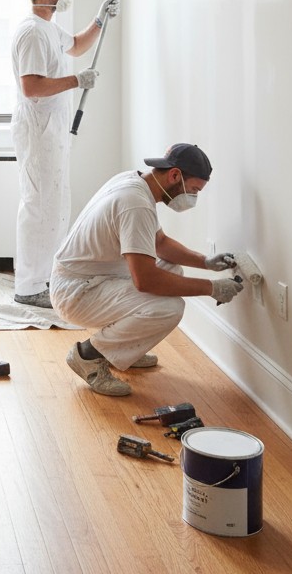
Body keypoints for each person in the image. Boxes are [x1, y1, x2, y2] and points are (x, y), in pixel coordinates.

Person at [49, 143, 243, 396]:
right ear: (174, 175)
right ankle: (88, 356)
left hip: (93, 277)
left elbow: (159, 243)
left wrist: (205, 262)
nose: (193, 198)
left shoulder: (135, 183)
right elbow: (146, 281)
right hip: (76, 293)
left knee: (171, 270)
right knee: (169, 308)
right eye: (194, 189)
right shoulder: (135, 204)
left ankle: (122, 348)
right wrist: (212, 288)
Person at [10, 0, 118, 307]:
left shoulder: (50, 30)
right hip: (37, 129)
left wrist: (99, 21)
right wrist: (77, 81)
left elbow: (75, 46)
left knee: (54, 204)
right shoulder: (31, 33)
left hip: (52, 129)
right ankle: (28, 287)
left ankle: (45, 279)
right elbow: (31, 87)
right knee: (39, 206)